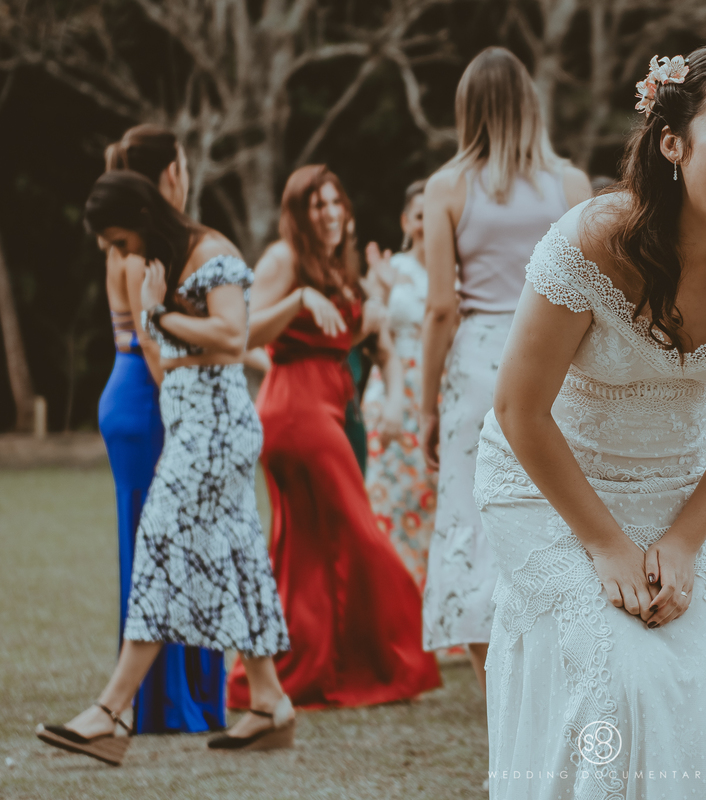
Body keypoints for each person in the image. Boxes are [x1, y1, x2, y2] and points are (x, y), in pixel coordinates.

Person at [477, 45, 706, 798]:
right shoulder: (593, 241)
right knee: (617, 679)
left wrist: (684, 538)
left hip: (680, 489)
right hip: (549, 483)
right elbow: (518, 408)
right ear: (673, 143)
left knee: (702, 683)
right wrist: (604, 543)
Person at [37, 171, 293, 766]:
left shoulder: (212, 251)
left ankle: (111, 710)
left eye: (121, 242)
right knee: (240, 555)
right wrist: (160, 315)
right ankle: (269, 702)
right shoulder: (166, 262)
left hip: (215, 432)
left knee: (155, 544)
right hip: (196, 428)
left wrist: (158, 316)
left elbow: (232, 336)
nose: (122, 256)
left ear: (144, 217)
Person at [228, 165, 441, 710]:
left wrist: (392, 388)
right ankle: (396, 659)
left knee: (306, 552)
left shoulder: (342, 268)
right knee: (361, 533)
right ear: (299, 213)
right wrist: (297, 302)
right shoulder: (284, 259)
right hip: (296, 414)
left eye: (335, 204)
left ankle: (311, 668)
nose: (329, 214)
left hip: (329, 407)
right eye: (316, 205)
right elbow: (240, 333)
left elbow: (379, 345)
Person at [419, 46, 592, 690]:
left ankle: (502, 698)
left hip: (478, 368)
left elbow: (440, 307)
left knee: (472, 520)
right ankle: (557, 677)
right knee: (555, 515)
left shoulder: (446, 188)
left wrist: (424, 404)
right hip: (557, 366)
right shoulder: (571, 185)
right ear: (530, 104)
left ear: (468, 111)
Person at [95, 125, 227, 735]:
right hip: (147, 402)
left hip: (143, 395)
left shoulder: (159, 243)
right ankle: (162, 700)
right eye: (182, 163)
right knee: (159, 544)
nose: (188, 173)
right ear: (170, 174)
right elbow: (152, 348)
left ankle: (183, 693)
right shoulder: (138, 251)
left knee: (178, 541)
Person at [362, 180, 436, 587]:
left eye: (433, 215)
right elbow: (367, 336)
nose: (426, 224)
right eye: (419, 216)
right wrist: (380, 290)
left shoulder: (456, 273)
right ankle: (390, 604)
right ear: (407, 221)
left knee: (434, 504)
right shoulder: (392, 270)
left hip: (439, 396)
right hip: (394, 395)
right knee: (389, 501)